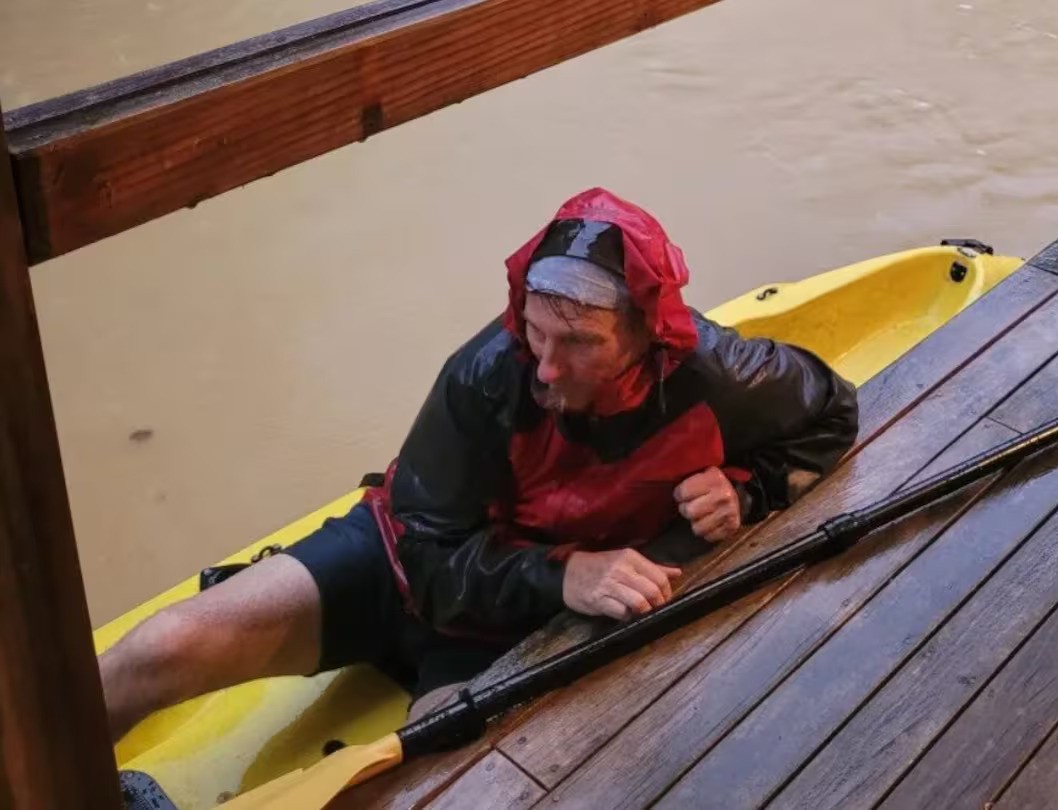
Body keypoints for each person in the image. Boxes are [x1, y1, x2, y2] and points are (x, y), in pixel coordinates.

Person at [98, 187, 859, 739]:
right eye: (536, 332)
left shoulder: (720, 376)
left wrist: (747, 493)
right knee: (160, 650)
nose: (547, 368)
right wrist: (566, 573)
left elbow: (834, 411)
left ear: (644, 334)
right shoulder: (486, 372)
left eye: (579, 343)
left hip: (510, 635)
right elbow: (426, 556)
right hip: (402, 569)